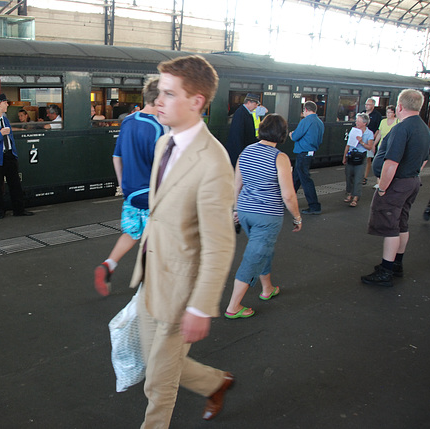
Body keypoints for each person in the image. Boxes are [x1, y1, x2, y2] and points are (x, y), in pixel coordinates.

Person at [128, 55, 236, 428]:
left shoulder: (214, 163)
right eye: (159, 91)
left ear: (196, 102)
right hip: (151, 279)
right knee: (155, 361)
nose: (158, 100)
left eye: (169, 94)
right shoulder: (165, 144)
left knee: (158, 382)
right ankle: (215, 382)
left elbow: (220, 243)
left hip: (182, 293)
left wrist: (200, 306)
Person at [225, 114, 302, 319]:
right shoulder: (280, 158)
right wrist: (297, 216)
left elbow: (237, 184)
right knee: (254, 256)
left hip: (245, 212)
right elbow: (288, 194)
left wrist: (235, 209)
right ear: (282, 133)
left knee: (262, 249)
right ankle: (234, 306)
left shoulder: (246, 152)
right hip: (267, 216)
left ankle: (267, 288)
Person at [94, 77, 164, 296]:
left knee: (132, 232)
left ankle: (108, 265)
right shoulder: (159, 127)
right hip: (153, 194)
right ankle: (152, 282)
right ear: (160, 98)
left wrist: (123, 186)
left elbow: (116, 157)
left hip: (132, 192)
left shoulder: (128, 120)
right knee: (159, 237)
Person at [361, 89, 430, 287]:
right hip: (412, 181)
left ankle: (386, 271)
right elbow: (424, 160)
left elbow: (391, 163)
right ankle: (396, 264)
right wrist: (412, 172)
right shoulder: (424, 128)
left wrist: (382, 187)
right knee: (402, 223)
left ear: (400, 106)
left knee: (391, 227)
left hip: (397, 184)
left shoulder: (402, 129)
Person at [0, 94, 34, 219]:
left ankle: (19, 210)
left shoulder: (5, 120)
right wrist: (0, 133)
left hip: (9, 156)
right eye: (5, 102)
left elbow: (10, 139)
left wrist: (13, 153)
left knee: (15, 184)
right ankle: (1, 211)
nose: (7, 105)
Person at [289, 101, 324, 215]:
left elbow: (295, 136)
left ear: (306, 110)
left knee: (305, 180)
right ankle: (287, 200)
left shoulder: (306, 121)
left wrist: (291, 134)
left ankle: (314, 206)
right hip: (310, 153)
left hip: (302, 153)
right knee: (296, 178)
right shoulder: (319, 122)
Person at [342, 113, 374, 207]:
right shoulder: (353, 131)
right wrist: (344, 157)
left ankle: (356, 197)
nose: (356, 122)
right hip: (351, 156)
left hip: (360, 157)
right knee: (349, 176)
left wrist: (361, 142)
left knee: (358, 178)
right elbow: (348, 145)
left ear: (364, 123)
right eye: (356, 120)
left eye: (358, 121)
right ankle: (350, 193)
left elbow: (369, 147)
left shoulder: (369, 133)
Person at [226, 93, 260, 166]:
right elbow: (237, 134)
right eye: (255, 104)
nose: (256, 106)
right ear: (248, 102)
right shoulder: (240, 113)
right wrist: (240, 153)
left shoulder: (245, 113)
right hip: (239, 152)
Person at [371, 105, 399, 189]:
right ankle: (378, 183)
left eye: (390, 112)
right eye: (387, 112)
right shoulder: (383, 121)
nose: (388, 114)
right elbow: (379, 133)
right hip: (382, 146)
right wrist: (374, 144)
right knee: (379, 163)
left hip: (392, 147)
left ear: (394, 113)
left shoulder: (398, 121)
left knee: (387, 165)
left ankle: (386, 182)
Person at [362, 98, 383, 184]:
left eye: (368, 104)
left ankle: (365, 177)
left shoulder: (377, 115)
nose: (366, 106)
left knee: (368, 158)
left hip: (370, 139)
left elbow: (378, 129)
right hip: (361, 138)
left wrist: (373, 138)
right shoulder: (362, 113)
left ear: (373, 105)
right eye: (366, 104)